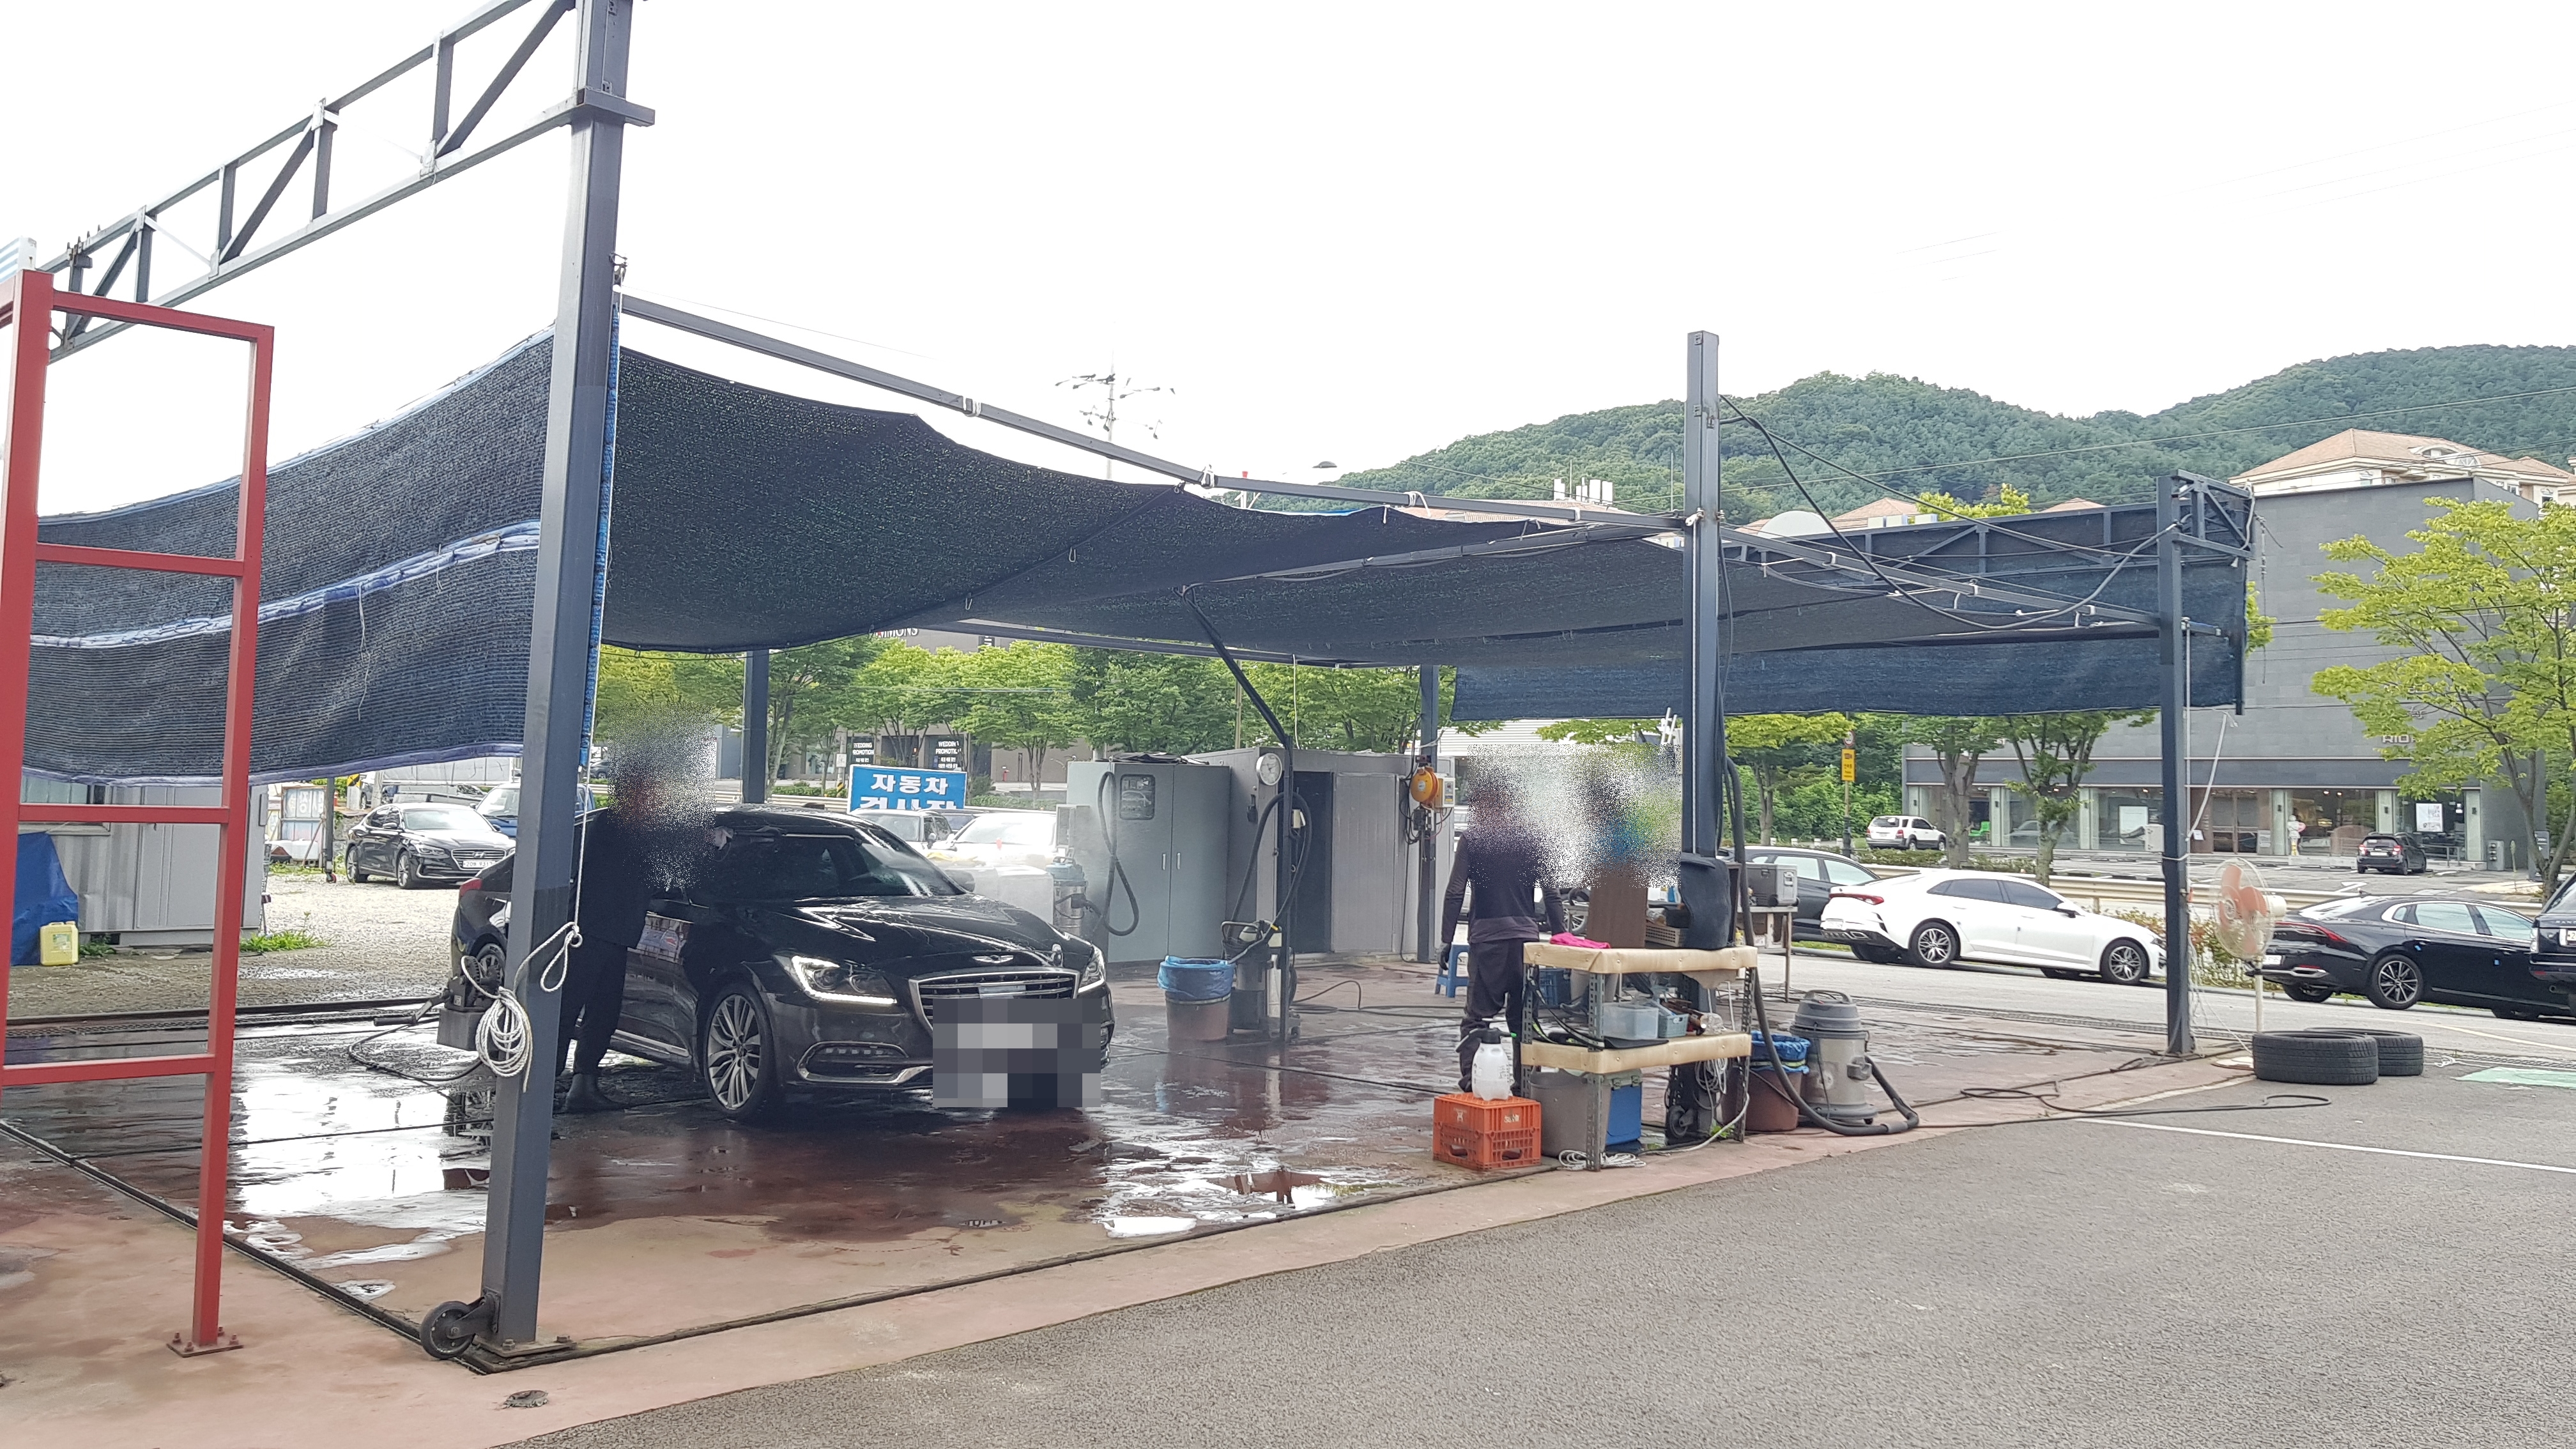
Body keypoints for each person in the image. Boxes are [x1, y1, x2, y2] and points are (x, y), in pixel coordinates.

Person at [1441, 778, 1564, 1092]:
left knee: (1477, 1019)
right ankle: (1526, 1087)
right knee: (1524, 1020)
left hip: (1489, 942)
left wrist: (1446, 939)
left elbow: (1455, 893)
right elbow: (1552, 894)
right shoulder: (1533, 839)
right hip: (1527, 945)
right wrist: (1562, 939)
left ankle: (1473, 1085)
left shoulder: (1473, 839)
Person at [558, 771, 663, 1113]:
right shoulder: (609, 828)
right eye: (649, 793)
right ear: (630, 795)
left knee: (604, 1012)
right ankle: (541, 1089)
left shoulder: (634, 830)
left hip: (615, 935)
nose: (655, 802)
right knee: (566, 1009)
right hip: (588, 932)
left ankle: (584, 1084)